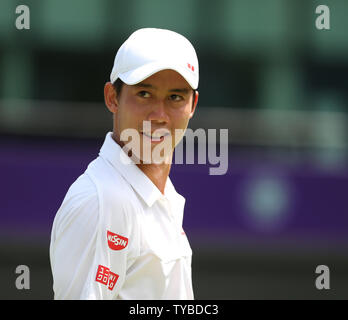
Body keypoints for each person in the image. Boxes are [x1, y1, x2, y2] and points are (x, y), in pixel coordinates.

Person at [49, 28, 199, 300]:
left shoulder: (162, 196)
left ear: (193, 104)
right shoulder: (99, 201)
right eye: (144, 93)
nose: (160, 115)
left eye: (175, 97)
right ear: (112, 98)